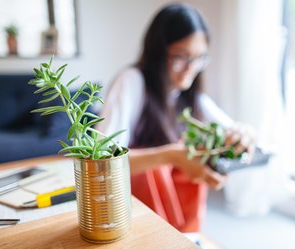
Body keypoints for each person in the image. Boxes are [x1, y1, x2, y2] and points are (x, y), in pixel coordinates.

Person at [96, 3, 255, 232]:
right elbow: (103, 162)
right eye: (181, 57)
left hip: (174, 215)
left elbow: (230, 128)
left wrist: (244, 133)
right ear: (158, 53)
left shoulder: (191, 96)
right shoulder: (131, 81)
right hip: (127, 211)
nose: (191, 68)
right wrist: (171, 156)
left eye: (199, 58)